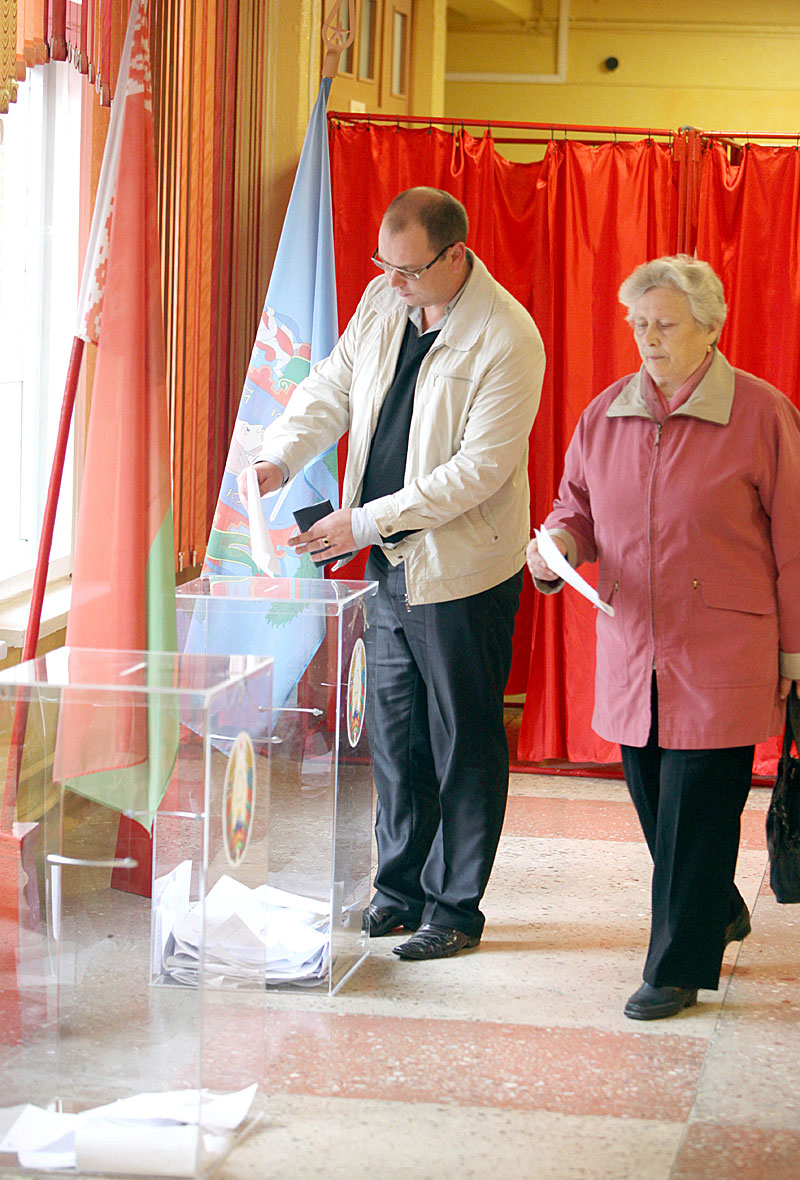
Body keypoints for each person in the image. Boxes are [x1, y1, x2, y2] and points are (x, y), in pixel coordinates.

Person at [239, 187, 545, 960]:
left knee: (463, 740)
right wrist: (281, 454)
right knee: (395, 734)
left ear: (457, 256)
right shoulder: (383, 302)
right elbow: (332, 388)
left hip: (462, 571)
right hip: (388, 563)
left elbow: (477, 471)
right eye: (385, 263)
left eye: (407, 269)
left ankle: (455, 908)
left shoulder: (507, 337)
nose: (392, 280)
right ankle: (398, 890)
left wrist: (364, 521)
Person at [528, 255, 800, 1019]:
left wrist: (796, 655)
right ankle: (714, 906)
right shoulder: (605, 412)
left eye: (665, 324)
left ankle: (675, 967)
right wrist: (554, 549)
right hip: (635, 648)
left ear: (711, 329)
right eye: (639, 323)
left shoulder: (761, 413)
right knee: (656, 802)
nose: (647, 337)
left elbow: (796, 542)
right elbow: (572, 509)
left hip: (725, 648)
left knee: (699, 808)